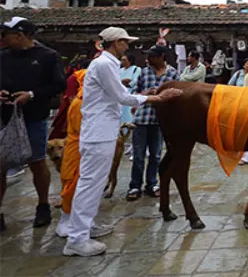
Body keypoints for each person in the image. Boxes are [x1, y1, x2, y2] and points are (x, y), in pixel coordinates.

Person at [63, 27, 182, 257]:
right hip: (99, 132)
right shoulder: (105, 64)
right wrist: (157, 97)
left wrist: (146, 93)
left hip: (102, 130)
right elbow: (123, 97)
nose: (128, 47)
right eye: (125, 43)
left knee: (94, 183)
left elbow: (117, 94)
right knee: (91, 183)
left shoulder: (105, 64)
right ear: (116, 43)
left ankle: (84, 228)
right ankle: (77, 238)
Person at [0, 17, 66, 233]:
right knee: (1, 165)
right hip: (4, 117)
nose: (3, 39)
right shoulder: (2, 57)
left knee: (37, 162)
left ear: (20, 35)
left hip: (34, 117)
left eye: (6, 35)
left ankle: (43, 205)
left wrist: (31, 94)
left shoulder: (47, 56)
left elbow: (58, 84)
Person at [127, 45, 179, 201]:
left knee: (156, 155)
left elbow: (178, 96)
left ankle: (152, 184)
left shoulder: (173, 74)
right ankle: (135, 185)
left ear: (162, 56)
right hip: (142, 118)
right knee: (138, 155)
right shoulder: (144, 72)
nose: (148, 59)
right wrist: (147, 93)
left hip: (160, 120)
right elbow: (133, 93)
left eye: (152, 56)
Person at [56, 60, 90, 238]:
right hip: (77, 150)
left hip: (83, 150)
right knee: (72, 184)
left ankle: (83, 220)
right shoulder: (80, 104)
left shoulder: (83, 101)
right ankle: (66, 219)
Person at [120, 54, 141, 125]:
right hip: (121, 94)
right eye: (121, 59)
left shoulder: (136, 69)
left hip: (131, 92)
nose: (122, 61)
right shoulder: (120, 70)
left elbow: (135, 81)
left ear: (130, 61)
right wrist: (123, 81)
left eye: (124, 60)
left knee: (129, 113)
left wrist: (128, 83)